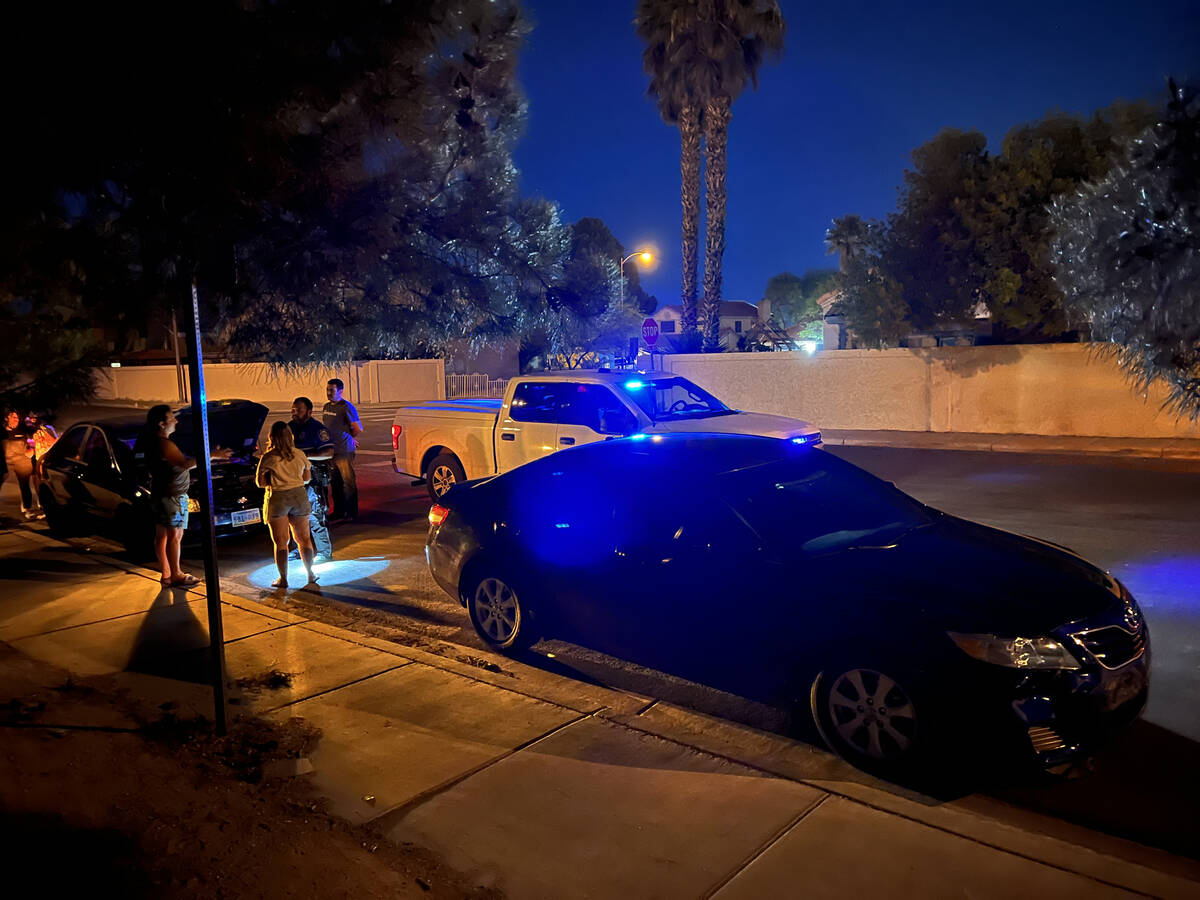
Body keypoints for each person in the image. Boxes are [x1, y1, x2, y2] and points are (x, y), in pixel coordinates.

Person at [136, 405, 230, 586]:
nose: (176, 421)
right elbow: (184, 464)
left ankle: (166, 574)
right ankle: (176, 574)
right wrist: (213, 455)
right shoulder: (164, 444)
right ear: (162, 424)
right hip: (173, 497)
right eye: (172, 418)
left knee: (162, 536)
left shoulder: (153, 442)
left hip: (161, 494)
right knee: (175, 535)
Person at [256, 420, 318, 589]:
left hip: (278, 498)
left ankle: (283, 579)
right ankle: (310, 574)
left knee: (281, 542)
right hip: (298, 495)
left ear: (271, 437)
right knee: (304, 539)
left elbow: (260, 483)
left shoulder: (268, 458)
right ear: (290, 437)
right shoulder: (299, 454)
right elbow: (306, 478)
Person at [288, 396, 334, 562]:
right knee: (294, 516)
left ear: (309, 411)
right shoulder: (289, 429)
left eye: (299, 410)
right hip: (293, 480)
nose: (295, 412)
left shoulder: (317, 429)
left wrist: (304, 456)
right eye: (293, 409)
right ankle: (298, 548)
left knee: (316, 515)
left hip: (313, 479)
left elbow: (328, 453)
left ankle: (324, 552)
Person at [322, 378, 362, 522]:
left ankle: (351, 512)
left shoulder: (346, 407)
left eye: (332, 390)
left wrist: (350, 438)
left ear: (340, 391)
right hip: (331, 451)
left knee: (348, 482)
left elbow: (357, 428)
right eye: (327, 390)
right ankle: (339, 511)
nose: (329, 393)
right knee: (335, 482)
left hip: (344, 451)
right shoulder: (326, 407)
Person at [3, 410, 40, 519]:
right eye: (13, 417)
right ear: (7, 418)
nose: (16, 419)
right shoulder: (2, 431)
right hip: (6, 460)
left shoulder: (24, 429)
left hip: (21, 460)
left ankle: (27, 509)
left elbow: (33, 439)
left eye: (17, 417)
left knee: (25, 485)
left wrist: (31, 450)